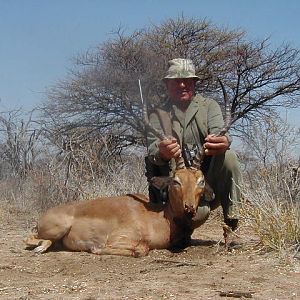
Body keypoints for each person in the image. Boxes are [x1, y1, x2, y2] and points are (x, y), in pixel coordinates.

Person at [145, 58, 242, 239]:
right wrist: (162, 152)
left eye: (188, 81)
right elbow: (152, 152)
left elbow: (219, 132)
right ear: (167, 84)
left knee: (229, 157)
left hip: (204, 185)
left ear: (194, 83)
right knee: (195, 216)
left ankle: (231, 223)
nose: (182, 85)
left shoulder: (209, 106)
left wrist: (223, 141)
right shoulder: (158, 114)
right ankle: (173, 225)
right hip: (176, 191)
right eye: (176, 81)